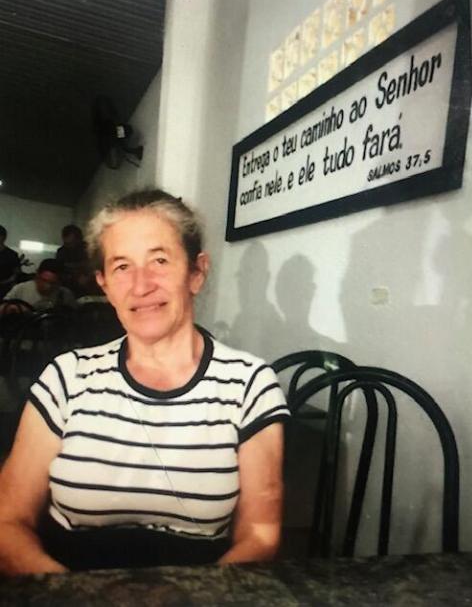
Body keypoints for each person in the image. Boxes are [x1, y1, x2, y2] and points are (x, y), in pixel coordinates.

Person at [0, 189, 290, 574]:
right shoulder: (67, 377)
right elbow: (8, 518)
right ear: (104, 283)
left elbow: (261, 534)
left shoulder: (249, 384)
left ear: (196, 272)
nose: (141, 285)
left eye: (159, 260)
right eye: (122, 266)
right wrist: (73, 596)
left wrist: (195, 600)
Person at [0, 258, 76, 314]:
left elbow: (73, 319)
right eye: (44, 280)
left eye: (53, 283)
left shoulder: (65, 295)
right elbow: (2, 308)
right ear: (37, 275)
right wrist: (12, 308)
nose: (48, 286)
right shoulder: (21, 289)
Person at [55, 224, 89, 296]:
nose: (68, 246)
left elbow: (94, 267)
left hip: (86, 290)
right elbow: (58, 269)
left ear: (78, 240)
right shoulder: (61, 251)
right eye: (66, 243)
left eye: (71, 243)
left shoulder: (88, 250)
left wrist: (87, 276)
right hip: (66, 288)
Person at [0, 226, 20, 299]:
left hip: (3, 289)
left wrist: (5, 282)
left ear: (3, 237)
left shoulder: (11, 255)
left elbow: (16, 274)